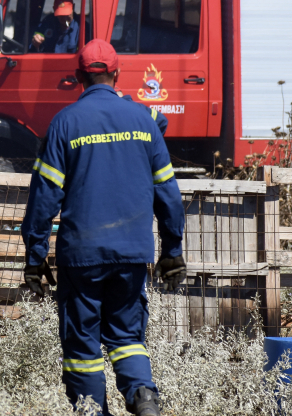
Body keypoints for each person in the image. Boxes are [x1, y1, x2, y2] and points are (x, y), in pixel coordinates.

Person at [21, 39, 186, 416]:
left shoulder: (65, 123)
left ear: (79, 76)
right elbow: (169, 194)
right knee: (127, 338)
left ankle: (92, 410)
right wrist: (172, 252)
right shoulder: (144, 121)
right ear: (117, 74)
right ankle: (144, 397)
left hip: (82, 256)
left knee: (83, 347)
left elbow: (44, 198)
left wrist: (34, 257)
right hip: (132, 254)